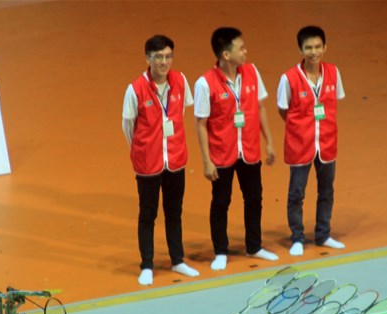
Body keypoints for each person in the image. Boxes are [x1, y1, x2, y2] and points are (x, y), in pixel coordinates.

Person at [194, 27, 278, 271]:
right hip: (222, 153)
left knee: (254, 198)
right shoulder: (205, 83)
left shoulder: (252, 72)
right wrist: (206, 161)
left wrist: (269, 142)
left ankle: (254, 246)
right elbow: (201, 124)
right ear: (226, 55)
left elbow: (260, 108)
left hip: (249, 149)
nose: (245, 51)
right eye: (241, 48)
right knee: (221, 201)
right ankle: (220, 251)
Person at [123, 35, 200, 286]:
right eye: (158, 57)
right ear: (148, 58)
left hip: (175, 160)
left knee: (174, 212)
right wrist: (142, 149)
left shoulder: (181, 81)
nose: (164, 62)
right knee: (148, 214)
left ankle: (177, 260)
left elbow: (181, 112)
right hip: (148, 163)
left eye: (168, 56)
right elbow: (128, 125)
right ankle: (147, 265)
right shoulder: (135, 89)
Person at [278, 25, 346, 256]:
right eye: (308, 47)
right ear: (300, 49)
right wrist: (299, 129)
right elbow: (283, 109)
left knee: (327, 190)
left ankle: (323, 234)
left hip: (326, 143)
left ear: (325, 47)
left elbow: (335, 101)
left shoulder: (334, 73)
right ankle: (297, 237)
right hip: (300, 145)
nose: (314, 52)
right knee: (296, 193)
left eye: (318, 46)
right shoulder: (288, 78)